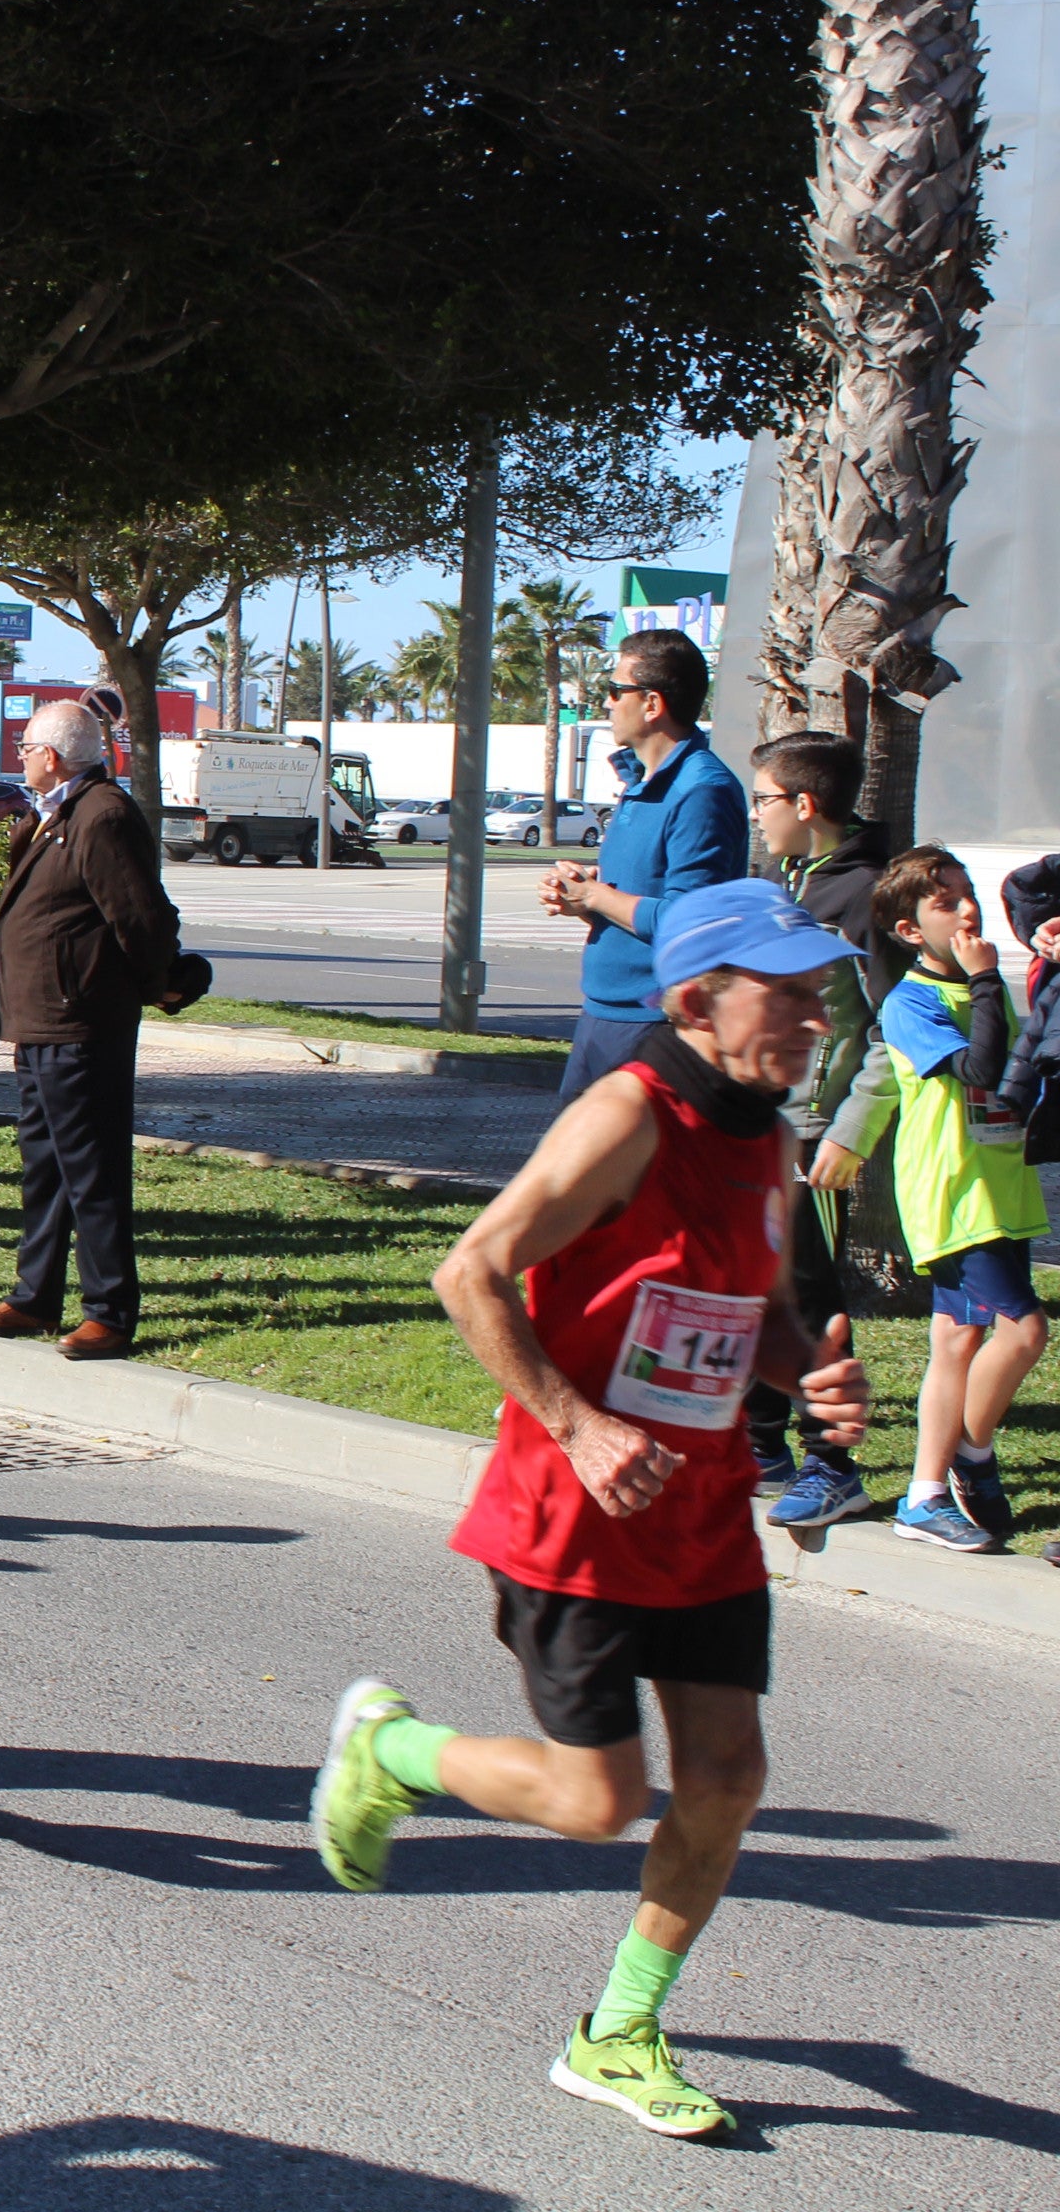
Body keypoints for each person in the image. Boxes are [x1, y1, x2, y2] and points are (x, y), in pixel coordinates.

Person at [318, 878, 870, 2142]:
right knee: (595, 1801)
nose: (812, 1017)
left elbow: (758, 1315)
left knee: (727, 1778)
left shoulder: (770, 1135)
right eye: (784, 996)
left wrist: (809, 1372)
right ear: (695, 1004)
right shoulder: (631, 1115)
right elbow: (470, 1271)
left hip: (706, 1508)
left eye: (817, 994)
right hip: (573, 1511)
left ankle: (618, 2032)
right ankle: (390, 1752)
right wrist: (580, 1424)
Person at [0, 699, 181, 1360]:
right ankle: (34, 1297)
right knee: (46, 1169)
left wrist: (155, 983)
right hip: (42, 1023)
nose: (20, 758)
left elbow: (139, 917)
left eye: (26, 747)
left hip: (80, 1020)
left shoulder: (102, 815)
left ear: (51, 757)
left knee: (93, 1173)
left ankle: (109, 1310)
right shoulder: (57, 814)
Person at [859, 847, 1045, 1551]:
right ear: (911, 931)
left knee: (957, 1340)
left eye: (968, 894)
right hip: (955, 1197)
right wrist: (989, 980)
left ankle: (924, 1493)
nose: (968, 910)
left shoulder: (976, 987)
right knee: (1025, 1331)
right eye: (946, 902)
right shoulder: (911, 1001)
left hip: (1002, 1188)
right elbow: (981, 1065)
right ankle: (970, 1452)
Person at [742, 731, 887, 1525]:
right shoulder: (781, 878)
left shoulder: (866, 893)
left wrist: (849, 1129)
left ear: (804, 804)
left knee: (810, 1293)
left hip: (817, 1132)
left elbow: (897, 1026)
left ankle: (833, 1462)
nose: (756, 814)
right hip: (765, 1122)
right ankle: (763, 1444)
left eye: (763, 798)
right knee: (759, 1278)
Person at [543, 631, 746, 1101]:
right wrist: (582, 898)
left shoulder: (702, 790)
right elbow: (640, 894)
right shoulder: (640, 782)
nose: (609, 703)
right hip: (604, 1012)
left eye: (615, 690)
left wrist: (596, 896)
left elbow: (690, 919)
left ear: (652, 703)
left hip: (654, 1024)